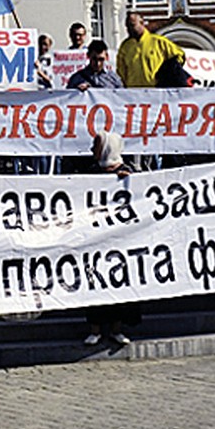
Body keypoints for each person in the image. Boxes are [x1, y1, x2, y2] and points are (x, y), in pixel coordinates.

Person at [83, 131, 134, 347]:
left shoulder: (128, 171)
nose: (91, 150)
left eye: (96, 145)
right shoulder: (89, 173)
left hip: (119, 240)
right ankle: (94, 329)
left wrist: (128, 180)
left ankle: (116, 329)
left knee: (118, 283)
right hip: (95, 239)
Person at [114, 12, 184, 88]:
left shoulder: (158, 42)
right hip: (133, 93)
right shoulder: (125, 47)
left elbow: (180, 55)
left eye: (132, 25)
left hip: (155, 91)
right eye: (127, 26)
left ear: (142, 23)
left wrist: (169, 71)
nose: (129, 29)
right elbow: (121, 72)